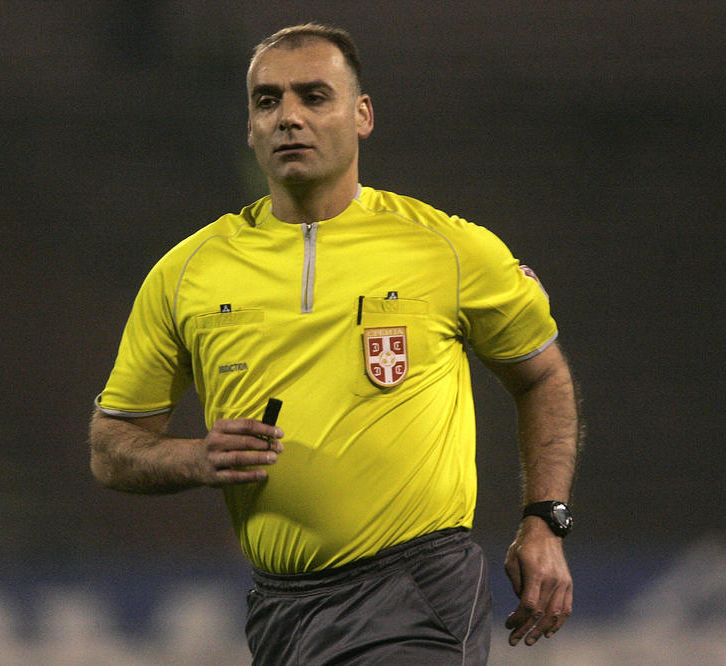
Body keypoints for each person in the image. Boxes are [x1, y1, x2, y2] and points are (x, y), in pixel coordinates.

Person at [90, 23, 579, 664]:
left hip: (416, 588)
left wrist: (545, 518)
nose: (288, 116)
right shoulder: (186, 273)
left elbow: (542, 376)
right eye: (268, 101)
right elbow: (111, 448)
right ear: (250, 127)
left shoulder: (448, 249)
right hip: (281, 608)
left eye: (314, 96)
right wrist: (196, 458)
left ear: (362, 115)